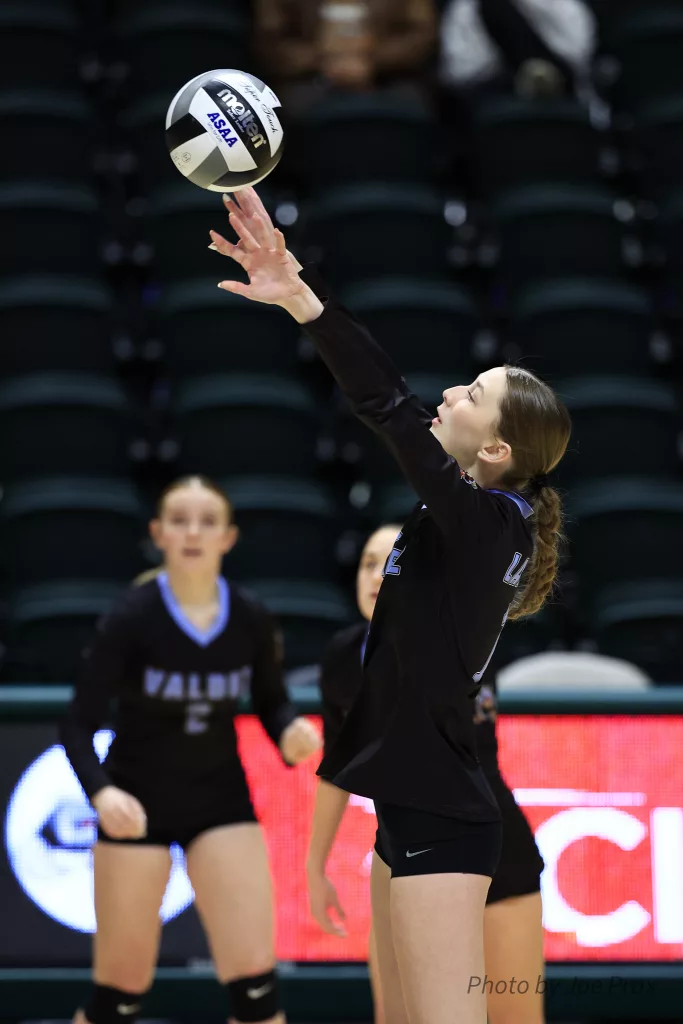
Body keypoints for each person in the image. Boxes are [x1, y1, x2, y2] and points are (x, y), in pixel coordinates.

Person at [209, 187, 571, 1024]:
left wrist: (301, 296)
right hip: (411, 806)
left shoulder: (490, 521)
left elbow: (388, 409)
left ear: (494, 448)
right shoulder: (474, 519)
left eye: (471, 393)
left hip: (444, 818)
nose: (450, 392)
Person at [60, 475, 321, 1024]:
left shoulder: (250, 615)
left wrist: (290, 731)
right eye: (180, 520)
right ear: (158, 534)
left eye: (207, 522)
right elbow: (77, 723)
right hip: (136, 806)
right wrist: (102, 794)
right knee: (119, 997)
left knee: (257, 992)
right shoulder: (131, 616)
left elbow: (273, 703)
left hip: (220, 802)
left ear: (228, 537)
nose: (193, 532)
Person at [307, 524, 546, 1024]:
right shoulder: (341, 658)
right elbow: (335, 767)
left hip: (491, 846)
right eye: (368, 563)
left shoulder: (465, 635)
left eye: (393, 561)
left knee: (513, 1017)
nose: (378, 574)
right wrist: (314, 865)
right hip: (399, 845)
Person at [254, 0, 437, 111]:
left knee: (413, 105)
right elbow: (270, 42)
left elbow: (421, 36)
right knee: (285, 109)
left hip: (389, 76)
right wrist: (322, 60)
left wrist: (371, 61)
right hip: (306, 78)